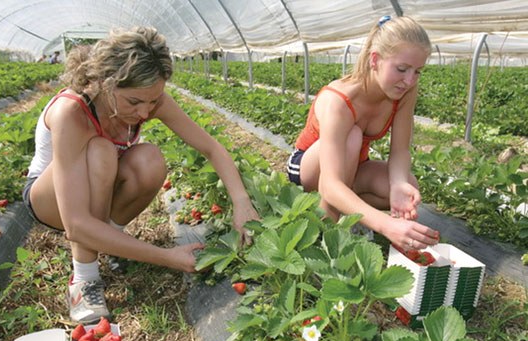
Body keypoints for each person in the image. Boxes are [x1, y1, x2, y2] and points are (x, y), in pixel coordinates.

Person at [23, 27, 259, 324]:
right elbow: (76, 226)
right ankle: (84, 280)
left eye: (153, 100)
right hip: (51, 201)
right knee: (101, 152)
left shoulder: (151, 100)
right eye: (134, 102)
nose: (146, 112)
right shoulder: (71, 112)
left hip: (99, 189)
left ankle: (110, 241)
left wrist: (241, 202)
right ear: (106, 84)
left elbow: (211, 147)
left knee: (149, 159)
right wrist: (167, 256)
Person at [286, 15, 439, 251]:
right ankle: (330, 225)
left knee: (408, 185)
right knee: (353, 137)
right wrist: (385, 224)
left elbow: (400, 150)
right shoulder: (339, 100)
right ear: (375, 59)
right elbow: (329, 183)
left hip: (354, 166)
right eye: (402, 69)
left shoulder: (405, 91)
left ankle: (349, 210)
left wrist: (398, 184)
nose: (409, 80)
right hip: (311, 169)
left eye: (418, 71)